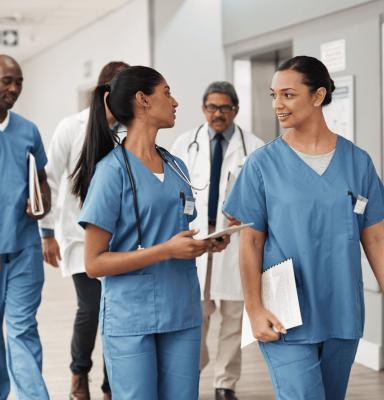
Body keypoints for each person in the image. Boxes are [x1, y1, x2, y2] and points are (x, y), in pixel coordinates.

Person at [224, 55, 384, 400]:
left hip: (342, 308)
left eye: (288, 94)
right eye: (273, 95)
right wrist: (253, 308)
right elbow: (250, 242)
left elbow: (375, 236)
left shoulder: (358, 162)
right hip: (284, 313)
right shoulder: (261, 165)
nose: (278, 105)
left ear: (318, 95)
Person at [71, 66, 229, 399]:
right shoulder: (110, 173)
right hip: (131, 317)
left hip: (182, 309)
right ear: (143, 100)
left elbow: (176, 232)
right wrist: (166, 251)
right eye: (167, 93)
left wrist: (202, 245)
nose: (175, 102)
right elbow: (94, 264)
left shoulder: (176, 167)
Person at [39, 60, 129, 400]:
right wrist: (46, 234)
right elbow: (47, 179)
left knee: (116, 312)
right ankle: (79, 375)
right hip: (79, 237)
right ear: (106, 94)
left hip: (121, 239)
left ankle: (111, 385)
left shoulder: (131, 129)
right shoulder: (70, 127)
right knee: (91, 308)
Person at [171, 81, 264, 400]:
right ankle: (191, 372)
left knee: (234, 317)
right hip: (197, 236)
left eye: (224, 107)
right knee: (196, 312)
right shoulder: (186, 143)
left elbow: (265, 196)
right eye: (211, 107)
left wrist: (249, 210)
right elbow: (172, 190)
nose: (217, 113)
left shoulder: (254, 146)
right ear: (203, 108)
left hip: (236, 238)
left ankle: (225, 383)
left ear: (235, 109)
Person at [0, 54, 51, 399]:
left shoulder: (28, 130)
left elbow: (42, 182)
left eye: (19, 81)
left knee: (22, 330)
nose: (13, 88)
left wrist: (40, 204)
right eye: (6, 81)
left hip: (25, 247)